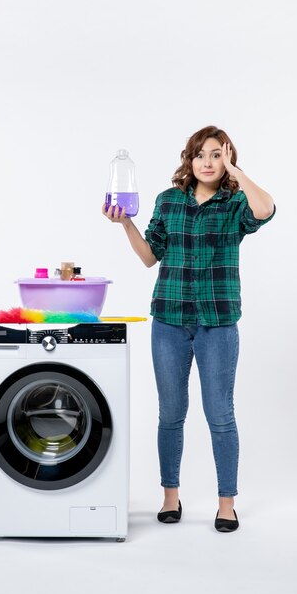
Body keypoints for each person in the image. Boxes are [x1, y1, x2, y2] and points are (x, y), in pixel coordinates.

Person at [102, 125, 276, 532]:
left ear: (227, 158)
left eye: (217, 155)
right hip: (169, 320)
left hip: (217, 322)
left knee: (220, 415)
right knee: (170, 415)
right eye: (201, 155)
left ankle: (226, 503)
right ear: (189, 160)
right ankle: (170, 497)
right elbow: (150, 257)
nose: (208, 162)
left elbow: (266, 208)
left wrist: (237, 171)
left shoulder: (235, 204)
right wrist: (127, 224)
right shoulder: (168, 202)